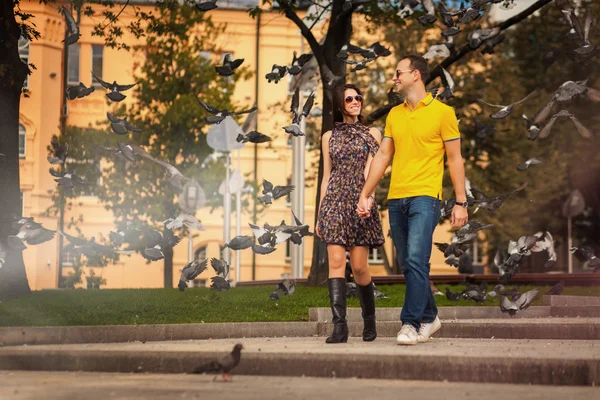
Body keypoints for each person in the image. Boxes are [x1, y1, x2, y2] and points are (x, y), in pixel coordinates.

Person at [357, 54, 468, 345]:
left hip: (426, 197)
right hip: (396, 198)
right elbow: (382, 156)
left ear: (416, 75)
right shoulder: (394, 115)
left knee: (417, 259)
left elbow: (455, 159)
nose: (394, 78)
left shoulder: (443, 112)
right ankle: (430, 317)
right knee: (409, 263)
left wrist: (461, 202)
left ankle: (410, 322)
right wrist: (365, 192)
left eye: (398, 73)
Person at [316, 84, 385, 344]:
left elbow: (373, 171)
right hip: (334, 201)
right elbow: (326, 177)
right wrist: (321, 214)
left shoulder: (373, 133)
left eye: (358, 97)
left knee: (359, 267)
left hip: (359, 201)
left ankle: (369, 321)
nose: (356, 101)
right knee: (335, 263)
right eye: (349, 98)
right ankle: (340, 328)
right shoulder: (328, 137)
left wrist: (367, 199)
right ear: (340, 104)